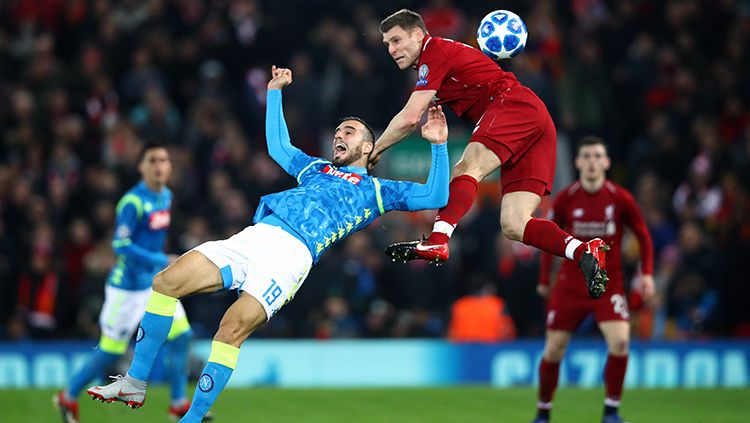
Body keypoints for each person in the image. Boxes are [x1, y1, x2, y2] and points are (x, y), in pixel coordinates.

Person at [85, 66, 450, 422]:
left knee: (230, 331)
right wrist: (274, 92)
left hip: (290, 258)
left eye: (349, 131)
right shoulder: (316, 168)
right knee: (166, 282)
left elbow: (436, 193)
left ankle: (192, 419)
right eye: (338, 129)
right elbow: (278, 147)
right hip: (254, 236)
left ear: (368, 146)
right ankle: (135, 381)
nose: (340, 134)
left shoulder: (377, 191)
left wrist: (438, 146)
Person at [372, 9, 609, 299]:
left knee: (466, 169)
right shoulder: (436, 61)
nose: (392, 50)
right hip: (536, 121)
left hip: (512, 104)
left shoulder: (434, 51)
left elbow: (410, 117)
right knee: (514, 224)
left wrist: (375, 149)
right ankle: (584, 251)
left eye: (396, 40)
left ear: (419, 34)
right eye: (387, 45)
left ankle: (437, 240)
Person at [54, 143, 198, 422]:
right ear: (141, 167)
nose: (159, 165)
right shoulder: (132, 202)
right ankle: (68, 396)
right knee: (111, 350)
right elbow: (120, 245)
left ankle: (178, 403)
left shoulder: (166, 197)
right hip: (127, 289)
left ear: (170, 167)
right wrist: (160, 260)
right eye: (152, 160)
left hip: (155, 286)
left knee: (182, 336)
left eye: (164, 160)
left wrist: (158, 263)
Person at [531, 136, 655, 423]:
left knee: (620, 343)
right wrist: (543, 278)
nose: (591, 162)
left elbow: (643, 236)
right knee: (553, 349)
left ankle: (611, 411)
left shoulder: (620, 198)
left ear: (607, 162)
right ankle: (543, 412)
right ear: (577, 162)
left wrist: (647, 273)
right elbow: (548, 236)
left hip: (607, 284)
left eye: (598, 156)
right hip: (570, 285)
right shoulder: (566, 199)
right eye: (586, 156)